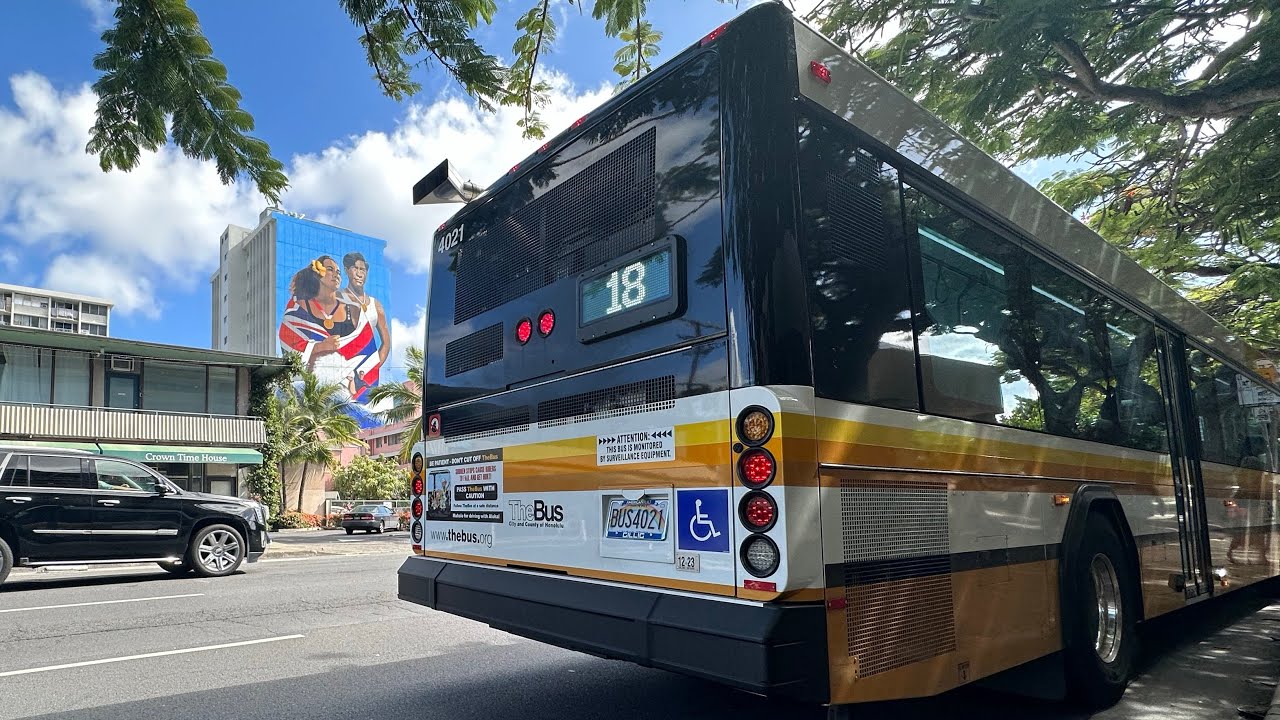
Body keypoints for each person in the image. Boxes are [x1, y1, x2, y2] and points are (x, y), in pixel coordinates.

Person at [278, 256, 370, 399]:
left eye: (338, 272)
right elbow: (289, 343)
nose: (336, 274)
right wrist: (320, 347)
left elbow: (366, 348)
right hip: (310, 391)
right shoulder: (299, 307)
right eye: (330, 269)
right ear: (317, 274)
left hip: (345, 390)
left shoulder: (354, 310)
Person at [338, 252, 391, 403]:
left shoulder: (376, 305)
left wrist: (373, 366)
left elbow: (386, 342)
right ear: (347, 270)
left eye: (362, 269)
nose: (359, 273)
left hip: (367, 373)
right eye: (355, 269)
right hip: (343, 368)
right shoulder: (337, 297)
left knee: (365, 411)